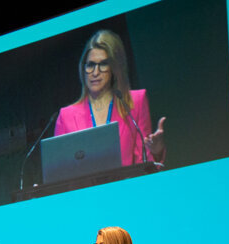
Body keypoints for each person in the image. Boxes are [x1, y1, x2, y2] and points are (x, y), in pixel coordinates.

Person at [54, 30, 165, 167]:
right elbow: (59, 171)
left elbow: (144, 163)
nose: (95, 72)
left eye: (103, 64)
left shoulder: (135, 102)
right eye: (90, 65)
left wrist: (156, 152)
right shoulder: (66, 116)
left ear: (114, 68)